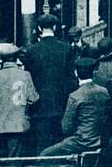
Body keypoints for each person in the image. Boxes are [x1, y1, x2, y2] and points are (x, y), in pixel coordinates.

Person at [22, 13, 78, 152]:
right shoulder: (67, 49)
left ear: (39, 29)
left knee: (42, 142)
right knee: (60, 141)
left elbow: (28, 79)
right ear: (54, 27)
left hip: (39, 104)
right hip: (61, 102)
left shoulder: (31, 51)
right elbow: (71, 78)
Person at [41, 55, 111, 157]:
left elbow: (66, 127)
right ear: (93, 72)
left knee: (45, 154)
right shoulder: (104, 91)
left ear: (76, 73)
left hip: (83, 141)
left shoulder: (75, 96)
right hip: (102, 138)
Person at [0, 43, 39, 156]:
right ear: (16, 58)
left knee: (4, 157)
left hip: (0, 125)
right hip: (19, 123)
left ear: (1, 60)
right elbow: (33, 99)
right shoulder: (25, 75)